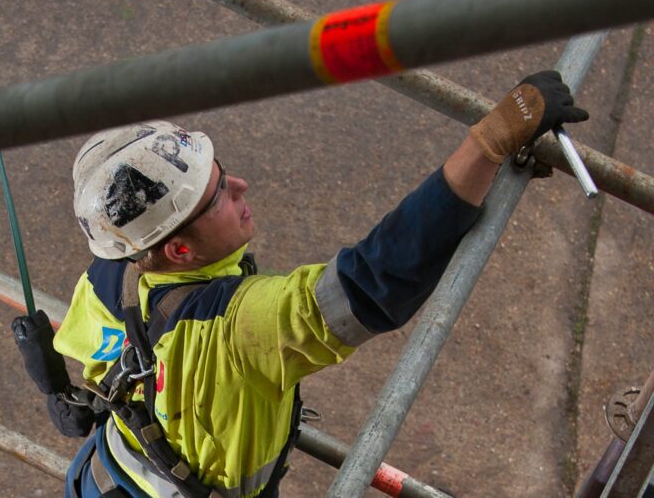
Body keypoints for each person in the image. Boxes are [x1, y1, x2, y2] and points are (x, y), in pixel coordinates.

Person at [47, 71, 588, 498]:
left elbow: (96, 354)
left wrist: (76, 402)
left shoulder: (110, 271)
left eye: (222, 172)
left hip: (108, 476)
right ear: (179, 251)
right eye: (215, 199)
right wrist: (489, 144)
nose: (240, 186)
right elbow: (374, 282)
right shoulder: (236, 326)